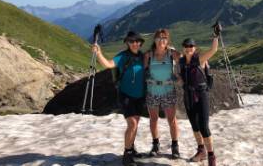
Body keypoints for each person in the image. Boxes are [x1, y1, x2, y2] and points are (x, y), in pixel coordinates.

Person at [92, 31, 145, 166]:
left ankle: (132, 148)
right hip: (126, 95)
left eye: (137, 41)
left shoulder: (143, 56)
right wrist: (98, 53)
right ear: (127, 43)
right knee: (132, 124)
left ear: (140, 43)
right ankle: (127, 155)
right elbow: (109, 64)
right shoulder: (123, 56)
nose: (135, 44)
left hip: (140, 96)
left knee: (136, 123)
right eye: (132, 41)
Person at [179, 35, 219, 166]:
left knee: (204, 127)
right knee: (195, 127)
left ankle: (211, 157)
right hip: (188, 96)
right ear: (183, 48)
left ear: (195, 48)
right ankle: (201, 151)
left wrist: (215, 36)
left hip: (201, 96)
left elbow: (213, 50)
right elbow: (182, 79)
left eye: (191, 46)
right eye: (186, 46)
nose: (188, 48)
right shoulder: (182, 62)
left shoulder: (200, 59)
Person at [144, 28, 182, 159]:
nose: (162, 40)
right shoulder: (148, 55)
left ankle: (175, 146)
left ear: (167, 40)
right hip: (152, 91)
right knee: (153, 119)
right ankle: (155, 145)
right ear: (154, 40)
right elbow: (142, 71)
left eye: (164, 38)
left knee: (172, 119)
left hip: (168, 90)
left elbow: (187, 59)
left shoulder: (172, 54)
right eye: (159, 38)